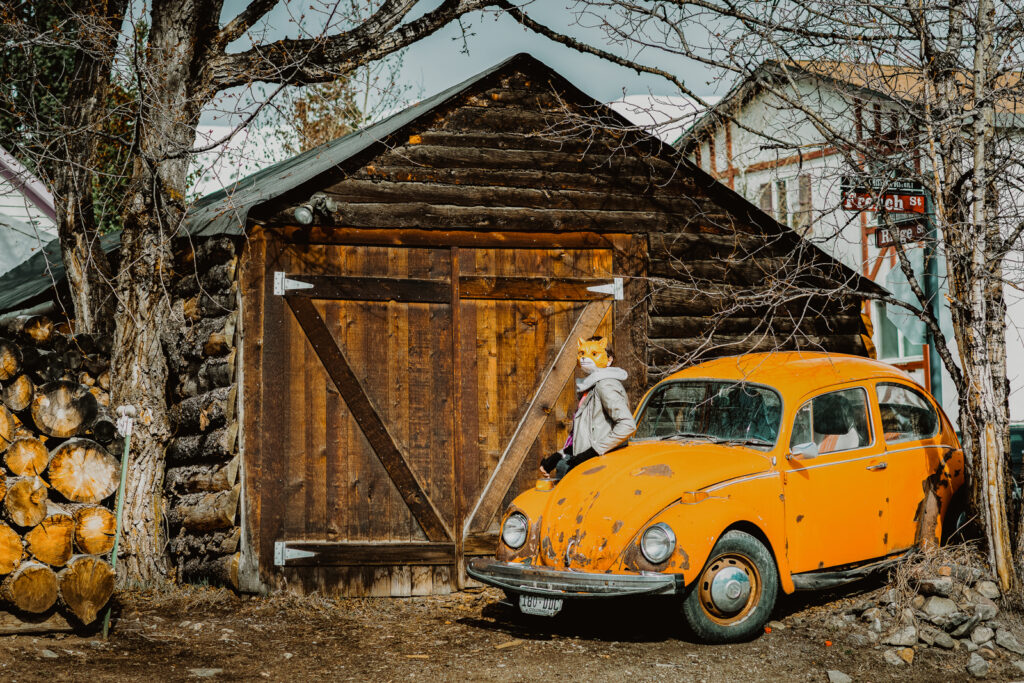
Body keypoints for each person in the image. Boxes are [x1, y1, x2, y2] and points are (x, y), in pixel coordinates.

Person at [539, 336, 636, 478]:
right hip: (588, 466)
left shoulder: (605, 385)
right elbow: (589, 436)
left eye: (594, 354)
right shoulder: (592, 386)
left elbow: (627, 425)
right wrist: (555, 458)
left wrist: (591, 453)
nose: (585, 358)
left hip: (600, 469)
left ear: (609, 360)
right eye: (582, 353)